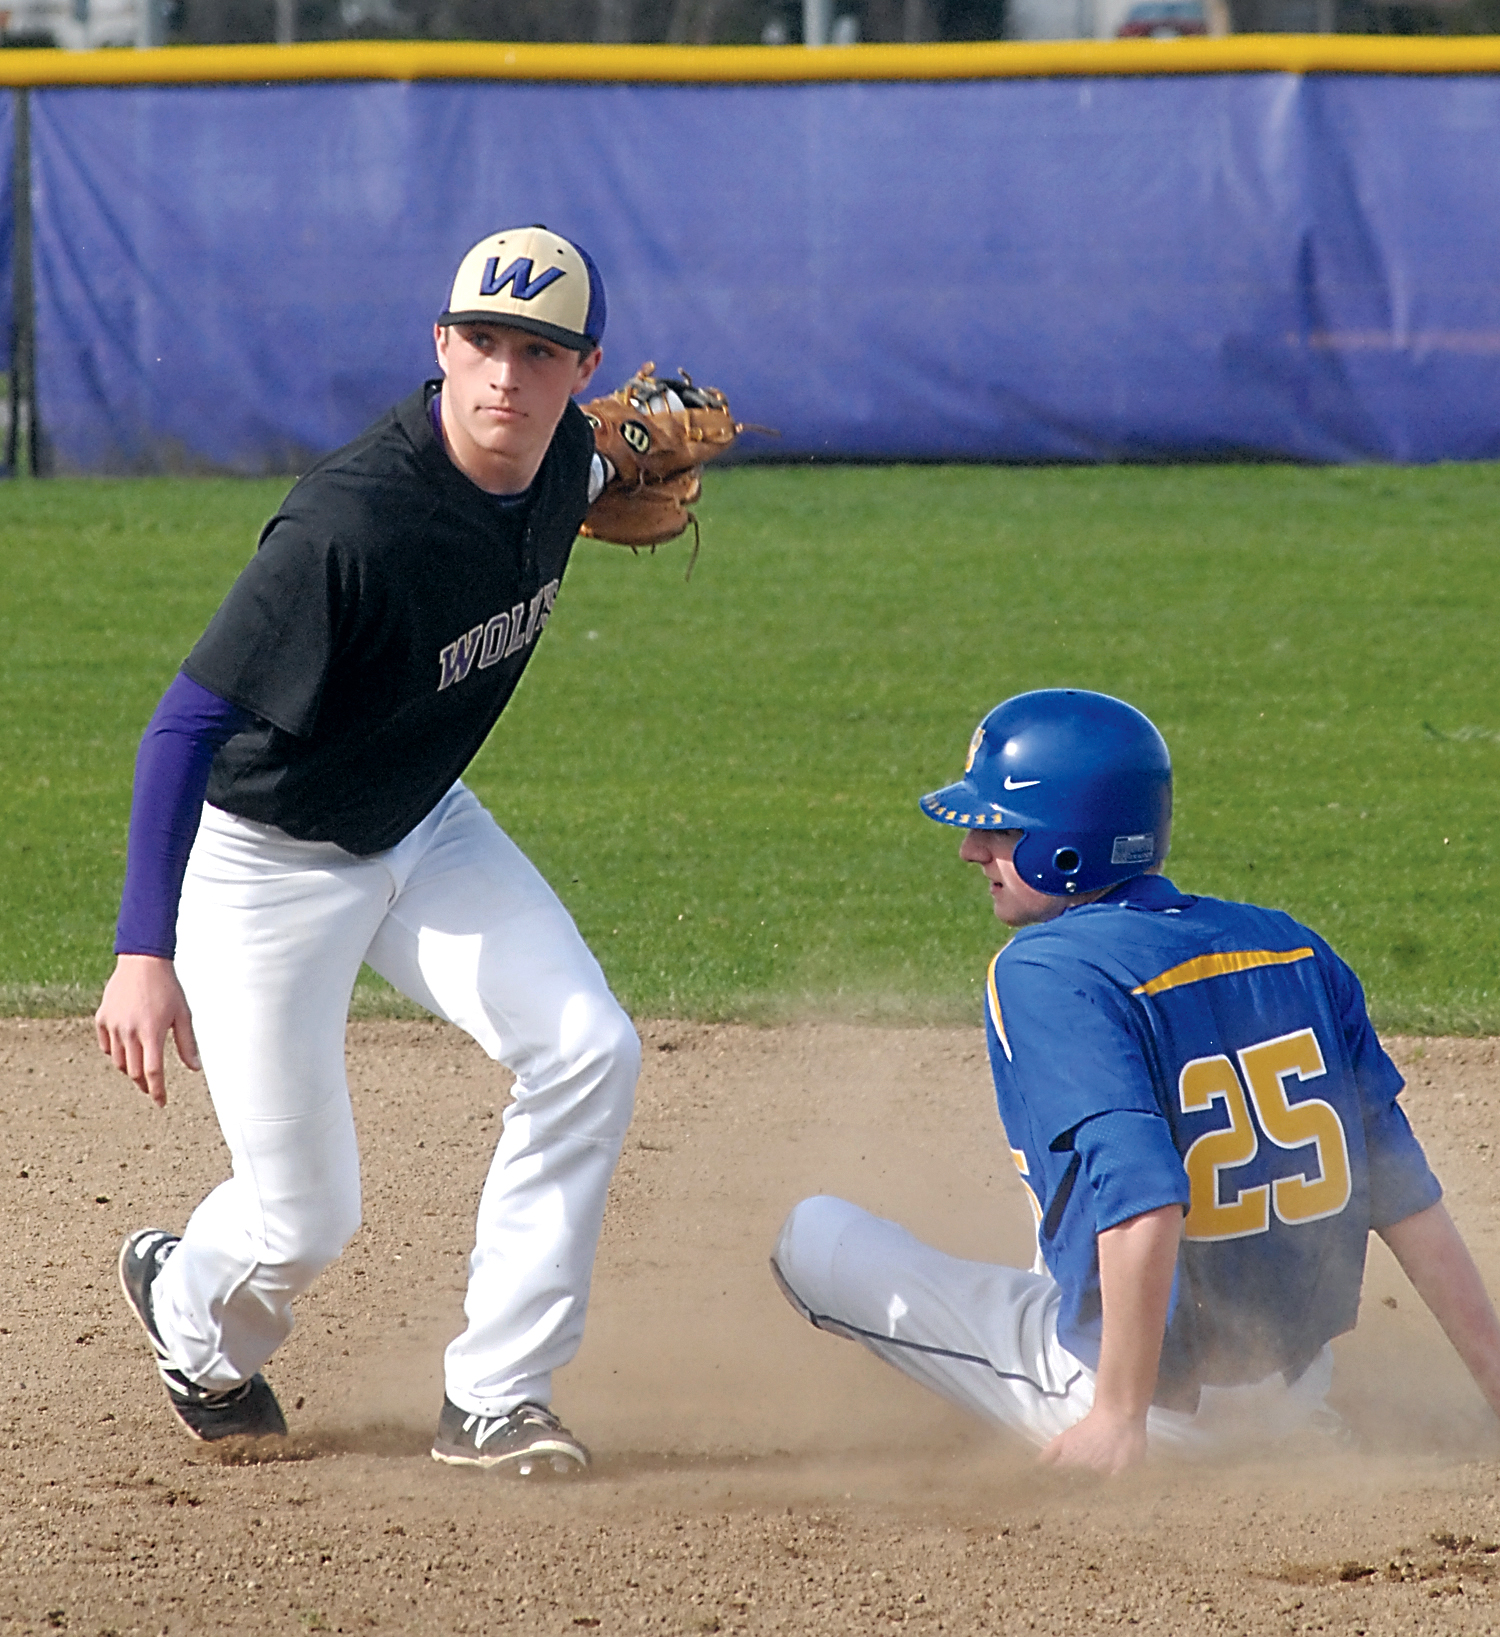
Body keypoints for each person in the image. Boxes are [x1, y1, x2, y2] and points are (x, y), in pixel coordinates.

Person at [95, 225, 642, 1476]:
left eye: (541, 352)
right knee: (302, 1214)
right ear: (442, 345)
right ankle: (190, 1312)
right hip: (269, 860)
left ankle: (498, 1395)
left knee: (588, 1047)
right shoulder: (349, 530)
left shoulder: (571, 457)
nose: (507, 376)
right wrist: (142, 948)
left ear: (581, 367)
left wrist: (623, 447)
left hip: (427, 819)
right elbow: (181, 727)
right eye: (485, 343)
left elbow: (610, 459)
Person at [772, 688, 1500, 1474]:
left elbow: (1146, 1200)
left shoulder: (1049, 970)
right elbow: (1408, 1197)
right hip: (1296, 1387)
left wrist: (1117, 1417)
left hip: (1154, 1410)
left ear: (1066, 845)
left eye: (998, 829)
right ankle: (1277, 1425)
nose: (972, 851)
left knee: (810, 1235)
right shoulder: (1292, 945)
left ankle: (1113, 1409)